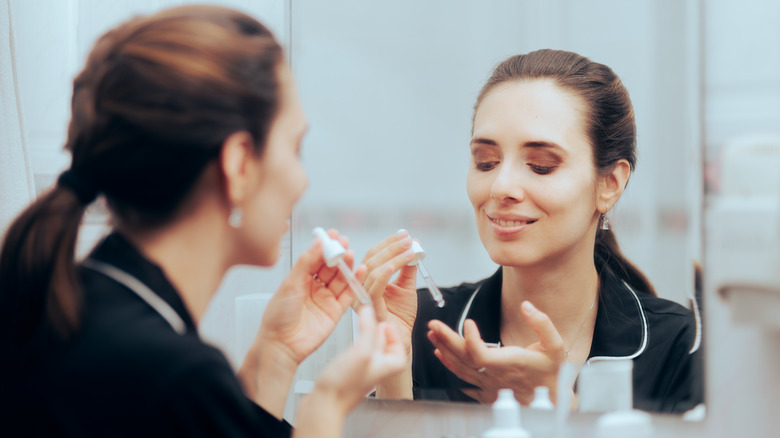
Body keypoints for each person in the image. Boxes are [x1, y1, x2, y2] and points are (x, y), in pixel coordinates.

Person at [0, 5, 406, 437]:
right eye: (294, 148)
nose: (301, 180)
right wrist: (325, 407)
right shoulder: (173, 376)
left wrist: (275, 355)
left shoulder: (72, 308)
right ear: (238, 164)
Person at [361, 49, 702, 414]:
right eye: (485, 162)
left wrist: (562, 410)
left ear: (609, 184)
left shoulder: (680, 346)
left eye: (541, 166)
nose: (500, 187)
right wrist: (393, 373)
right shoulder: (425, 327)